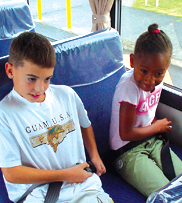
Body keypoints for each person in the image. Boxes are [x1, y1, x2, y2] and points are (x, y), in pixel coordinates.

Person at [0, 32, 113, 203]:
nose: (40, 88)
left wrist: (95, 155)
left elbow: (85, 124)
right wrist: (65, 174)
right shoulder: (5, 113)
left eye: (47, 79)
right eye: (31, 79)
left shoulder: (67, 95)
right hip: (37, 194)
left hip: (83, 186)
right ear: (10, 70)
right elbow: (11, 173)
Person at [109, 23, 182, 197]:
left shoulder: (157, 81)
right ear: (132, 61)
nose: (150, 80)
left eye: (158, 73)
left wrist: (154, 125)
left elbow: (148, 109)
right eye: (144, 71)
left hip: (151, 139)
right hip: (127, 151)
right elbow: (126, 133)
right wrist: (157, 128)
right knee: (166, 194)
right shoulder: (129, 87)